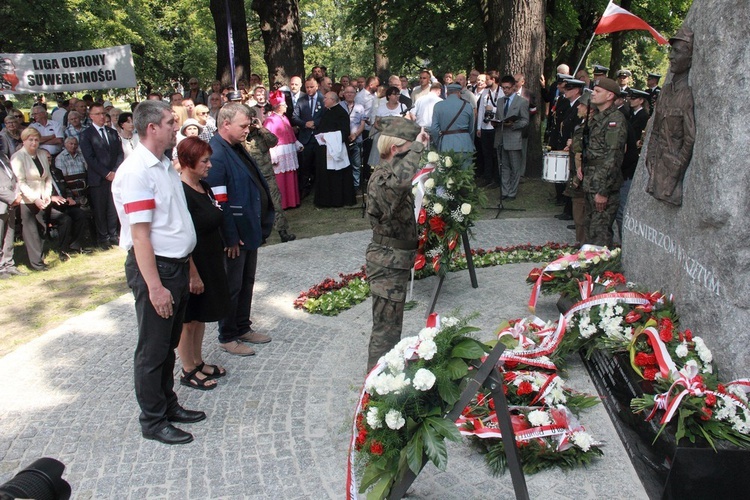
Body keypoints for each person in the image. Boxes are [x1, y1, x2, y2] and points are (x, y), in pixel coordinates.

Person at [111, 99, 204, 445]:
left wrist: (189, 269)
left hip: (175, 266)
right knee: (152, 349)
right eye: (169, 122)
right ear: (151, 128)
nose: (174, 127)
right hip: (157, 270)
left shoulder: (164, 165)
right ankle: (152, 420)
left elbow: (176, 222)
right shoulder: (136, 171)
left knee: (167, 345)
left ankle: (168, 404)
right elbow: (140, 236)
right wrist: (155, 287)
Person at [206, 103, 275, 356]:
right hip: (235, 236)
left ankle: (242, 326)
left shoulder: (234, 147)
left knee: (246, 282)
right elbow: (219, 202)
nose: (248, 130)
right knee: (232, 286)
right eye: (243, 126)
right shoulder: (217, 153)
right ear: (225, 124)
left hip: (248, 229)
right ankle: (227, 335)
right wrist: (231, 237)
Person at [365, 117, 430, 370]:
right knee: (386, 331)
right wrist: (418, 148)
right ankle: (375, 386)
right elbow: (402, 182)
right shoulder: (383, 179)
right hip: (386, 263)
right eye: (408, 147)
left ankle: (388, 374)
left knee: (393, 325)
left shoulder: (391, 174)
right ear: (395, 149)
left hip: (394, 260)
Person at [175, 137, 230, 390]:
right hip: (194, 263)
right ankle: (187, 369)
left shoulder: (203, 187)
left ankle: (198, 361)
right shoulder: (181, 193)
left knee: (201, 317)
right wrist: (192, 274)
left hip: (211, 260)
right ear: (188, 162)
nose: (209, 165)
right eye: (204, 161)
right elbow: (182, 236)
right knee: (189, 320)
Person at [11, 128, 74, 269]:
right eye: (30, 140)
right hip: (27, 201)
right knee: (31, 232)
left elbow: (47, 178)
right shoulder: (18, 157)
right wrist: (35, 199)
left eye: (36, 139)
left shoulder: (41, 154)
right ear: (24, 141)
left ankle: (41, 258)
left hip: (43, 198)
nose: (34, 143)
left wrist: (46, 195)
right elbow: (20, 182)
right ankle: (36, 263)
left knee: (42, 230)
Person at [582, 77, 628, 247]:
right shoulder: (598, 117)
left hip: (602, 184)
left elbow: (613, 156)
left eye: (598, 91)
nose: (593, 93)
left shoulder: (614, 120)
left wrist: (603, 191)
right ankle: (589, 268)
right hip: (591, 181)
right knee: (590, 230)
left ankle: (601, 271)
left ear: (610, 96)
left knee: (600, 233)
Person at [79, 103, 123, 250]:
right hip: (98, 178)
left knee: (112, 207)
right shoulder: (86, 134)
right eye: (98, 114)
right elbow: (90, 158)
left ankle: (112, 234)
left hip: (114, 176)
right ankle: (102, 237)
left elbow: (119, 153)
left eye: (103, 113)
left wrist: (115, 171)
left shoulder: (112, 132)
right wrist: (106, 173)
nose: (102, 116)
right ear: (91, 116)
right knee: (100, 208)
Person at [314, 92, 356, 207]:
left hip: (336, 148)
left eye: (326, 98)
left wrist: (327, 137)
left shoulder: (341, 113)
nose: (324, 101)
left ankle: (339, 200)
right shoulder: (328, 111)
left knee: (337, 175)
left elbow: (344, 132)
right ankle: (326, 200)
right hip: (325, 148)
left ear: (333, 100)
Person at [263, 91, 301, 212]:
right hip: (278, 151)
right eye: (284, 104)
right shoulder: (270, 120)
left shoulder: (284, 118)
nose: (286, 107)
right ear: (277, 106)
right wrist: (272, 153)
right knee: (280, 178)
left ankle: (292, 201)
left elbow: (290, 133)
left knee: (290, 175)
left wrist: (296, 143)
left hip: (288, 150)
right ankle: (282, 203)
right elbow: (268, 138)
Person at [494, 75, 530, 201]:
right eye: (503, 88)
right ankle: (504, 191)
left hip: (514, 137)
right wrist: (496, 122)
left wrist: (513, 124)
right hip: (501, 136)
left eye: (508, 88)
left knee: (515, 167)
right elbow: (499, 117)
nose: (505, 90)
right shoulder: (500, 101)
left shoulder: (522, 102)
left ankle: (512, 192)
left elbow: (525, 120)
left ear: (514, 87)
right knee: (503, 166)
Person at [291, 77, 325, 197]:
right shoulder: (301, 100)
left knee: (320, 164)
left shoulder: (323, 99)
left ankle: (320, 189)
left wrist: (315, 122)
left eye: (312, 87)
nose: (309, 89)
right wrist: (304, 124)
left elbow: (326, 116)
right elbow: (294, 117)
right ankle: (304, 189)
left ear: (317, 86)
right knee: (305, 165)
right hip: (305, 138)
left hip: (319, 137)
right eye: (307, 87)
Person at [430, 83, 475, 164]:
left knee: (447, 175)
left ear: (447, 93)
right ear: (459, 93)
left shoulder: (438, 106)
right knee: (466, 174)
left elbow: (434, 129)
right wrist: (470, 142)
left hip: (446, 145)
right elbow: (471, 129)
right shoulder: (467, 106)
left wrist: (438, 142)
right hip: (465, 145)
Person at [0, 151, 24, 278]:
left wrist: (18, 193)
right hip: (4, 201)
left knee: (9, 237)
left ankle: (9, 264)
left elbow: (13, 177)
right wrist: (12, 197)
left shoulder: (3, 156)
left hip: (11, 203)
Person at [340, 86, 366, 191]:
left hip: (357, 140)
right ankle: (345, 185)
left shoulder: (360, 107)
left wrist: (355, 135)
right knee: (343, 164)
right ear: (343, 94)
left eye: (352, 92)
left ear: (355, 94)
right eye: (347, 92)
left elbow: (362, 124)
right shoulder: (339, 106)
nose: (349, 94)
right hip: (343, 140)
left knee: (356, 165)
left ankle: (355, 186)